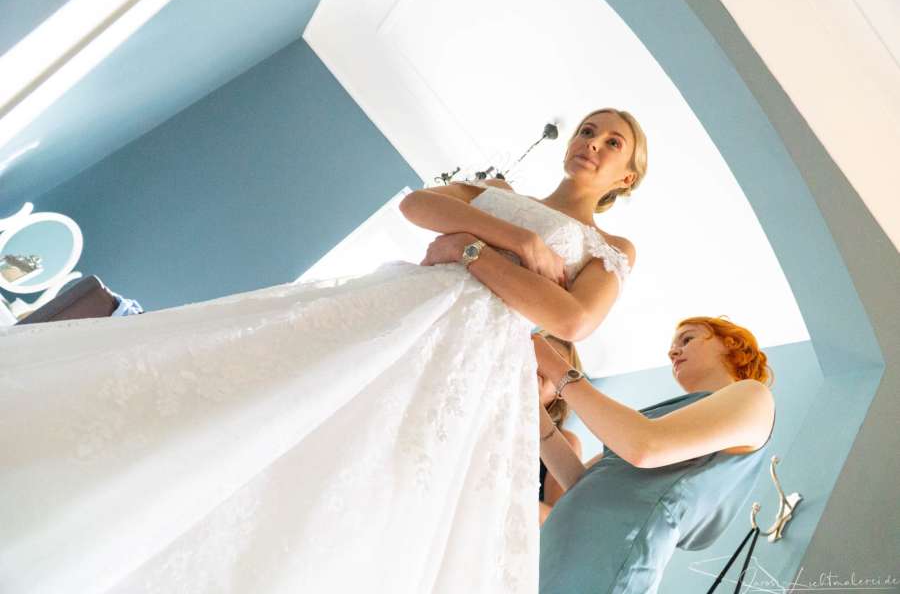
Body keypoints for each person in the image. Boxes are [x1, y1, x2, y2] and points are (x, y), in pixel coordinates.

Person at [0, 107, 647, 593]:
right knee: (274, 390)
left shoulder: (612, 248)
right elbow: (419, 205)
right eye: (588, 130)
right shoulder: (498, 193)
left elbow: (571, 318)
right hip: (403, 308)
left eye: (611, 141)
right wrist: (514, 239)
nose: (591, 143)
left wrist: (470, 249)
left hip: (475, 360)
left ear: (628, 174)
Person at [534, 316, 777, 594]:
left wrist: (552, 363)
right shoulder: (667, 420)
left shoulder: (754, 398)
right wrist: (533, 407)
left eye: (688, 339)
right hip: (558, 555)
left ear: (732, 344)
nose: (673, 352)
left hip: (606, 561)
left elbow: (644, 447)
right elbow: (580, 483)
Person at [534, 329, 584, 526]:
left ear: (561, 392)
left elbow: (555, 520)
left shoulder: (566, 442)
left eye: (554, 361)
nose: (539, 364)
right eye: (536, 354)